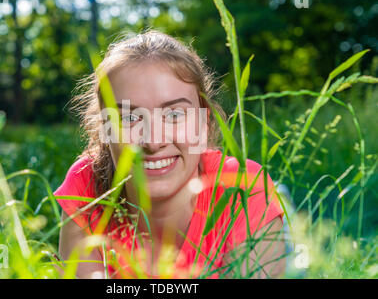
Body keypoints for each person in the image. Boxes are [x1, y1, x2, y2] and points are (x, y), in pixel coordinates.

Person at [54, 30, 286, 279]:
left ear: (204, 122)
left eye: (174, 115)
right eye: (129, 118)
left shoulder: (243, 189)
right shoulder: (85, 184)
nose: (153, 141)